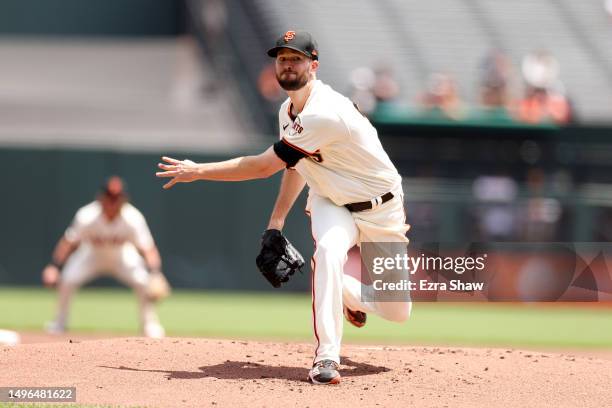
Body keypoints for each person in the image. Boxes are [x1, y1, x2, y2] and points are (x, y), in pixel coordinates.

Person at [156, 31, 412, 385]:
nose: (288, 64)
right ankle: (327, 357)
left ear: (314, 65)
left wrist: (199, 170)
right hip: (331, 201)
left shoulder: (325, 112)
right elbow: (297, 167)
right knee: (327, 252)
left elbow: (262, 166)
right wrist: (275, 223)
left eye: (296, 58)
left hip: (381, 208)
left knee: (397, 311)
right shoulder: (287, 110)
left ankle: (347, 293)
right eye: (282, 58)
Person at [42, 176, 166, 338]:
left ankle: (150, 325)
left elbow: (148, 248)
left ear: (124, 199)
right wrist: (54, 266)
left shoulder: (133, 218)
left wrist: (155, 273)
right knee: (68, 280)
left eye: (117, 198)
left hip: (122, 256)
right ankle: (59, 323)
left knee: (144, 282)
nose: (113, 202)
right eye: (109, 197)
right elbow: (68, 243)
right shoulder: (87, 216)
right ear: (101, 198)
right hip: (91, 256)